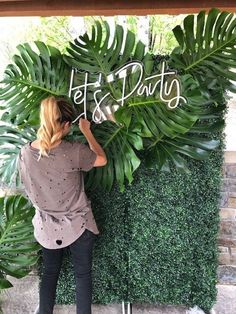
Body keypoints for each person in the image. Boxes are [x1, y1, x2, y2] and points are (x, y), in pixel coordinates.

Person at [17, 95, 107, 314]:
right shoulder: (73, 151)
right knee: (82, 275)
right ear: (66, 125)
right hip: (78, 224)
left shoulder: (25, 153)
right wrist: (87, 131)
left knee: (49, 274)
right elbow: (102, 159)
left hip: (46, 226)